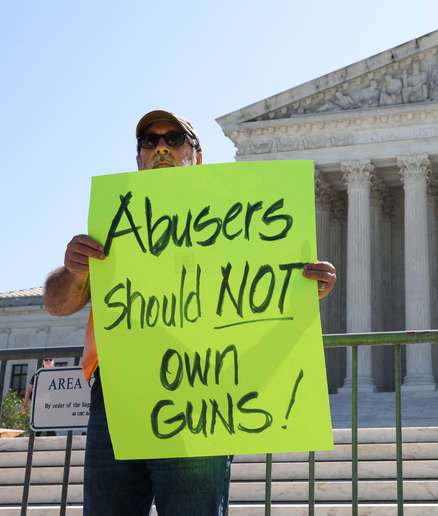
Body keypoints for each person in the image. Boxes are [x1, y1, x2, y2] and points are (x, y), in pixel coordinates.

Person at [42, 110, 337, 516]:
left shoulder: (240, 220)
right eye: (149, 141)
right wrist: (76, 269)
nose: (161, 146)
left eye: (175, 138)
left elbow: (266, 295)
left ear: (197, 156)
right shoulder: (114, 222)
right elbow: (56, 304)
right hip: (118, 392)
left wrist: (304, 288)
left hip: (203, 391)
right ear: (139, 160)